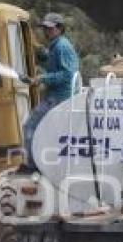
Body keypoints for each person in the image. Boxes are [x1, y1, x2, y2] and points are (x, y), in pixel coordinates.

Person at [23, 12, 81, 170]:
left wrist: (42, 78)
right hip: (56, 96)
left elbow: (68, 74)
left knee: (30, 127)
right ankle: (44, 165)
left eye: (49, 28)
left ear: (60, 28)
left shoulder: (62, 46)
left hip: (60, 97)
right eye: (44, 28)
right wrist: (41, 54)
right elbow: (52, 62)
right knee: (48, 133)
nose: (46, 31)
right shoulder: (56, 45)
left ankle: (32, 166)